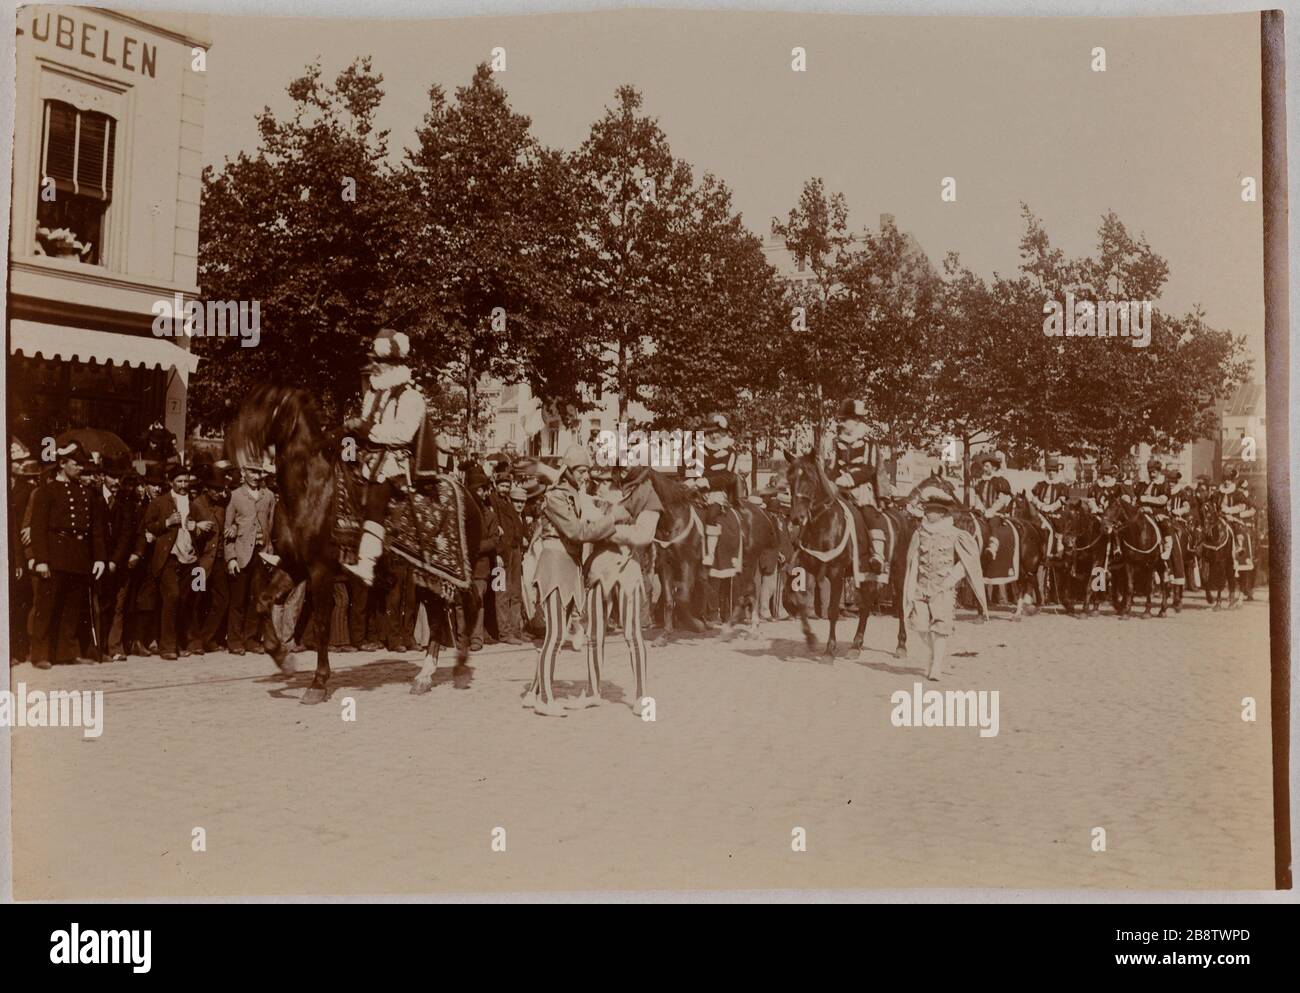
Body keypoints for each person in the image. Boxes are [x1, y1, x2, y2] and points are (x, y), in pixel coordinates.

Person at [517, 446, 628, 717]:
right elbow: (576, 532)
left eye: (586, 470)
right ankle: (544, 699)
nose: (585, 475)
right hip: (555, 565)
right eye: (580, 470)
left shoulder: (570, 494)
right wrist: (612, 519)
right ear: (569, 470)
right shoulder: (556, 496)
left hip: (568, 566)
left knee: (557, 633)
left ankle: (533, 693)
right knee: (554, 635)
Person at [572, 465, 662, 714]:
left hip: (626, 570)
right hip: (599, 569)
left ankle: (642, 695)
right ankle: (592, 691)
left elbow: (644, 535)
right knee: (594, 634)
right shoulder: (597, 498)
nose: (599, 484)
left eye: (604, 480)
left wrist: (605, 530)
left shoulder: (645, 496)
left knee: (632, 635)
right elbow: (582, 525)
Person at [343, 329, 427, 586]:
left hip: (395, 464)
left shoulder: (411, 396)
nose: (374, 366)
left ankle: (367, 564)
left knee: (377, 497)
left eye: (378, 362)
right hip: (369, 459)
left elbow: (402, 434)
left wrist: (368, 430)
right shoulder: (372, 394)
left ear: (393, 365)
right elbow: (367, 427)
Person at [28, 442, 107, 667]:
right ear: (62, 464)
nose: (81, 468)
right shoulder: (46, 492)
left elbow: (97, 530)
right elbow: (38, 528)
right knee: (47, 606)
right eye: (76, 464)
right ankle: (40, 654)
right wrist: (41, 560)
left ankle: (65, 652)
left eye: (82, 464)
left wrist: (100, 557)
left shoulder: (88, 493)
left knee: (72, 607)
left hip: (79, 556)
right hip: (55, 555)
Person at [901, 485, 987, 682]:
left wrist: (950, 581)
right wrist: (911, 585)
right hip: (921, 586)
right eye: (927, 509)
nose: (928, 513)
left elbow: (966, 562)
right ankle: (934, 654)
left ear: (941, 513)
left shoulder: (955, 534)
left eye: (931, 510)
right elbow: (911, 560)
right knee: (921, 628)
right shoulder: (919, 533)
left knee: (940, 629)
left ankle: (937, 665)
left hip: (943, 588)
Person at [141, 464, 212, 660]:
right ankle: (167, 646)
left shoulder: (193, 504)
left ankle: (187, 641)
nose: (183, 485)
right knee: (172, 597)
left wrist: (196, 527)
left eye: (186, 481)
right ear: (171, 482)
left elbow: (201, 534)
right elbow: (148, 526)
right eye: (179, 481)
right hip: (168, 557)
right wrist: (167, 523)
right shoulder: (160, 502)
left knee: (189, 598)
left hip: (190, 558)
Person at [225, 464, 276, 655]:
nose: (257, 476)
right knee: (238, 599)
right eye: (252, 471)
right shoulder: (235, 495)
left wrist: (269, 549)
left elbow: (271, 524)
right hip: (241, 553)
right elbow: (227, 528)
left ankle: (251, 639)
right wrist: (231, 558)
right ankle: (235, 641)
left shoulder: (268, 496)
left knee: (257, 598)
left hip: (261, 554)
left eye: (260, 472)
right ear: (244, 472)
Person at [190, 463, 231, 655]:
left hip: (218, 562)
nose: (219, 493)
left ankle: (206, 638)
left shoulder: (222, 506)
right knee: (197, 600)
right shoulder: (196, 505)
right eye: (215, 489)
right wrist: (197, 527)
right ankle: (193, 640)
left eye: (221, 489)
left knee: (222, 600)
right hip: (200, 563)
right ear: (206, 489)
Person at [9, 439, 42, 665]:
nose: (21, 465)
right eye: (17, 461)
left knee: (19, 602)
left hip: (18, 550)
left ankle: (18, 649)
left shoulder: (28, 490)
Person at [692, 413, 738, 568]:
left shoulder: (730, 452)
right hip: (697, 490)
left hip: (718, 492)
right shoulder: (699, 449)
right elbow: (691, 469)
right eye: (710, 432)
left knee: (712, 514)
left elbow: (728, 477)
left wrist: (707, 482)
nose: (714, 435)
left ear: (725, 432)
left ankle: (710, 553)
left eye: (717, 431)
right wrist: (692, 481)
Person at [488, 468, 526, 646]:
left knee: (515, 592)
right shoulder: (491, 501)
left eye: (507, 485)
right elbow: (494, 527)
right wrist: (496, 552)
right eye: (502, 485)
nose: (504, 488)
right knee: (501, 593)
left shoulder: (508, 502)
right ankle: (504, 633)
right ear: (495, 485)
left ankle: (516, 630)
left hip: (514, 551)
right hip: (499, 554)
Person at [1029, 460, 1069, 558]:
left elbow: (1061, 501)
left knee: (1055, 527)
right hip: (1040, 511)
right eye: (1049, 470)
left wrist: (1050, 508)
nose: (1051, 473)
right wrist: (1040, 505)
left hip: (1055, 512)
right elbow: (1034, 497)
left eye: (1053, 471)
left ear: (1057, 472)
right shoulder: (1041, 484)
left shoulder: (1061, 486)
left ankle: (1055, 551)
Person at [1136, 460, 1173, 560]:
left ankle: (1167, 548)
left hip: (1158, 511)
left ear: (1159, 472)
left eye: (1154, 472)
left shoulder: (1164, 484)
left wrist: (1147, 499)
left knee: (1165, 524)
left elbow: (1162, 500)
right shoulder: (1142, 483)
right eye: (1150, 472)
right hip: (1142, 510)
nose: (1151, 474)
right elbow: (1136, 496)